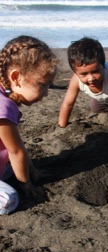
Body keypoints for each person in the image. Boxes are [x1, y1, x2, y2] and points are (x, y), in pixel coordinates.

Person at [0, 35, 58, 214]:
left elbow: (16, 147)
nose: (46, 94)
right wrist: (26, 185)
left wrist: (31, 169)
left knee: (16, 165)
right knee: (9, 200)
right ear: (16, 77)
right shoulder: (4, 105)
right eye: (43, 85)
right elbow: (15, 151)